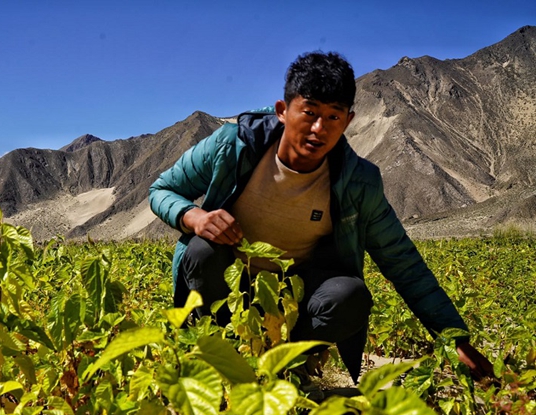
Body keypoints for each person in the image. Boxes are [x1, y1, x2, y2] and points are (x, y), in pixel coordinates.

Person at [148, 51, 493, 384]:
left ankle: (287, 366)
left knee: (350, 296)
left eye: (333, 117)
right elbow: (162, 190)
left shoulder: (357, 182)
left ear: (348, 122)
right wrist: (193, 216)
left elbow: (402, 262)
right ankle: (219, 358)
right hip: (230, 288)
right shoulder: (233, 145)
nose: (318, 128)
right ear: (283, 111)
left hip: (295, 298)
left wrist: (453, 338)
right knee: (202, 251)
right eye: (309, 112)